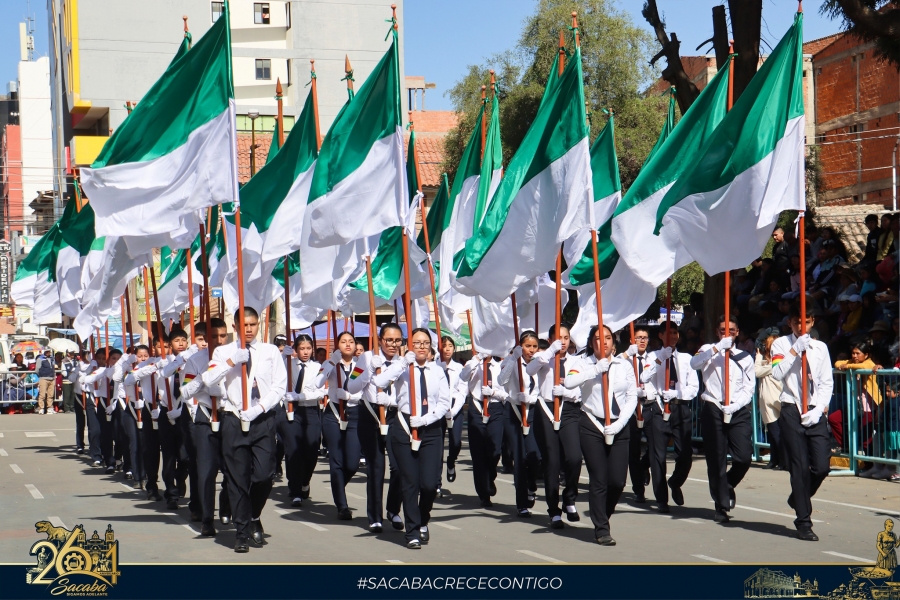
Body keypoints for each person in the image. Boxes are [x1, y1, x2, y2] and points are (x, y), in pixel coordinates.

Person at [203, 307, 286, 552]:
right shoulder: (223, 351)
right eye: (244, 325)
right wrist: (230, 362)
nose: (249, 329)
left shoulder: (270, 351)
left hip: (262, 419)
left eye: (253, 324)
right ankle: (241, 532)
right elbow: (208, 380)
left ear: (258, 324)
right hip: (233, 418)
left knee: (263, 475)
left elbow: (279, 387)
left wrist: (259, 408)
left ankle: (253, 515)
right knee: (237, 479)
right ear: (236, 326)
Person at [373, 328, 451, 549]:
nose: (421, 347)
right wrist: (401, 363)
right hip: (404, 426)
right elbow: (380, 382)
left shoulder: (437, 370)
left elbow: (444, 402)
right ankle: (413, 532)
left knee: (428, 485)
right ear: (409, 346)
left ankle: (423, 518)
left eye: (425, 343)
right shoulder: (402, 367)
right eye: (417, 343)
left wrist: (426, 420)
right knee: (410, 482)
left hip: (430, 426)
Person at [564, 324, 637, 546]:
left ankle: (602, 514)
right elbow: (569, 382)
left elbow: (632, 396)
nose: (602, 342)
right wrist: (595, 370)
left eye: (607, 337)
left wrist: (620, 423)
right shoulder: (582, 363)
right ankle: (602, 529)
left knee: (617, 481)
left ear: (613, 342)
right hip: (591, 424)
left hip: (619, 425)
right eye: (597, 338)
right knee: (599, 478)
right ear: (590, 342)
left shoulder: (624, 365)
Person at [771, 305, 833, 542]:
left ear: (812, 321)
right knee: (799, 466)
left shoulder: (820, 347)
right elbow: (777, 374)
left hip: (815, 410)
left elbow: (826, 382)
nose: (802, 327)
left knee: (821, 467)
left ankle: (799, 496)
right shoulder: (781, 345)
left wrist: (818, 409)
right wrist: (794, 352)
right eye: (797, 322)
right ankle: (804, 521)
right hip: (791, 408)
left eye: (806, 322)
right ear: (790, 322)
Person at [690, 316, 755, 523]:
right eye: (723, 330)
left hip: (738, 408)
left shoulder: (745, 356)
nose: (728, 333)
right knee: (716, 459)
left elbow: (749, 386)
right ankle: (721, 504)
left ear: (737, 332)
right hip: (713, 406)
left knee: (743, 457)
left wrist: (736, 405)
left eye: (732, 330)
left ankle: (726, 484)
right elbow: (695, 364)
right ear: (717, 332)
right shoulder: (708, 349)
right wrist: (717, 348)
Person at [347, 324, 404, 532]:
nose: (393, 344)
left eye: (397, 340)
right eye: (388, 340)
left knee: (398, 467)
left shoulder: (404, 361)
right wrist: (369, 370)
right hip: (370, 414)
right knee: (376, 467)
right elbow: (351, 385)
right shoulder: (366, 358)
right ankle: (375, 516)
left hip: (395, 415)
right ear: (380, 339)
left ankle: (393, 510)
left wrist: (390, 400)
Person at [180, 319, 232, 536]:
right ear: (205, 337)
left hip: (230, 415)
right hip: (205, 416)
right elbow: (185, 390)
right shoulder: (195, 360)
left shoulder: (235, 357)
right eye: (213, 337)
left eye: (222, 336)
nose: (218, 341)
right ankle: (207, 518)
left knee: (233, 469)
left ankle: (227, 504)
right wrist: (204, 379)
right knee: (207, 470)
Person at [526, 325, 582, 527]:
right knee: (552, 461)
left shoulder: (577, 360)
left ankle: (569, 497)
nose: (563, 341)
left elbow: (582, 389)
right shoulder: (543, 358)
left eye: (566, 337)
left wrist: (568, 393)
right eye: (559, 338)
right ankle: (553, 510)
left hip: (568, 409)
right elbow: (529, 369)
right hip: (547, 409)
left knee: (574, 457)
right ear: (550, 340)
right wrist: (549, 352)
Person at [639, 326, 699, 512]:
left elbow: (694, 387)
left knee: (685, 454)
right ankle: (661, 499)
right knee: (659, 456)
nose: (672, 336)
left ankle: (675, 482)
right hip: (658, 408)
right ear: (661, 335)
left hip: (679, 407)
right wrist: (660, 359)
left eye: (675, 333)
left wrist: (677, 392)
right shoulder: (652, 356)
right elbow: (644, 376)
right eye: (668, 333)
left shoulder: (686, 358)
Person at [315, 331, 363, 520]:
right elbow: (318, 382)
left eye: (351, 341)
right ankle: (342, 506)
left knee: (352, 463)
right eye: (343, 341)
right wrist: (331, 362)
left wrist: (351, 396)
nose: (348, 344)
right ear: (337, 345)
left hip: (354, 413)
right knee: (336, 461)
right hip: (333, 414)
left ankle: (338, 485)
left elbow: (365, 389)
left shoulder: (359, 366)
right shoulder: (330, 364)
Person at [497, 332, 543, 519]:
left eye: (534, 346)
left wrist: (532, 398)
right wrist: (513, 359)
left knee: (535, 456)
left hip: (533, 410)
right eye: (527, 346)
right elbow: (502, 381)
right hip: (514, 411)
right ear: (520, 346)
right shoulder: (511, 360)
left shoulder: (541, 362)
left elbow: (544, 387)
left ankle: (532, 485)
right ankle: (521, 503)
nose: (531, 350)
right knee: (519, 457)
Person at [277, 334, 326, 508]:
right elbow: (275, 376)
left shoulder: (318, 367)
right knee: (293, 451)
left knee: (312, 451)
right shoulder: (288, 364)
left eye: (308, 348)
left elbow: (322, 391)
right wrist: (283, 356)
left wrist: (301, 395)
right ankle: (295, 490)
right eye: (302, 348)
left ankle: (305, 481)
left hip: (311, 410)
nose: (305, 352)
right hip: (291, 411)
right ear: (296, 350)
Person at [460, 350, 507, 508]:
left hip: (495, 407)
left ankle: (490, 476)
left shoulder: (500, 365)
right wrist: (477, 358)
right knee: (479, 453)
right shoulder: (474, 364)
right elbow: (463, 376)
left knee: (495, 450)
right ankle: (484, 492)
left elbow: (507, 392)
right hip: (477, 407)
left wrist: (493, 392)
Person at [623, 325, 652, 503]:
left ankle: (644, 465)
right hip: (631, 409)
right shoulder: (625, 359)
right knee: (633, 450)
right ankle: (638, 489)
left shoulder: (653, 357)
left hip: (649, 406)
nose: (641, 341)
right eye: (638, 337)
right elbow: (613, 363)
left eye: (645, 337)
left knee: (656, 446)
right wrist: (627, 353)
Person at [84, 348, 124, 474]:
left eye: (119, 359)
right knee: (106, 434)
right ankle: (109, 461)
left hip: (118, 404)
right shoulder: (103, 370)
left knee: (119, 434)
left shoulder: (125, 371)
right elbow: (87, 380)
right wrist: (94, 369)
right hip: (104, 403)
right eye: (113, 359)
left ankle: (118, 458)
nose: (116, 361)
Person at [120, 346, 156, 489]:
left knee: (146, 445)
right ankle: (137, 475)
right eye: (139, 356)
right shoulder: (131, 370)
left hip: (147, 409)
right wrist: (126, 362)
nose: (142, 358)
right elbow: (122, 379)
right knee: (135, 444)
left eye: (145, 355)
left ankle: (147, 473)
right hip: (132, 410)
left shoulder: (152, 369)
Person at [436, 336, 466, 493]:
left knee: (455, 442)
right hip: (438, 409)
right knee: (437, 446)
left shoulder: (459, 368)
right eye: (444, 345)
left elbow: (462, 392)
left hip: (455, 407)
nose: (447, 349)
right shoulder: (435, 366)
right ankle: (437, 482)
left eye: (450, 346)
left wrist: (452, 411)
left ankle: (451, 461)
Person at [755, 328, 784, 470]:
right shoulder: (766, 358)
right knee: (773, 431)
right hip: (767, 397)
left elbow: (757, 371)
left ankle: (784, 460)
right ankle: (775, 459)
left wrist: (759, 358)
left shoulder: (778, 357)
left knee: (781, 432)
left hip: (779, 396)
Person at [36, 349, 56, 415]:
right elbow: (37, 369)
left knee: (50, 394)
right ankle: (41, 408)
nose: (48, 353)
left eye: (49, 351)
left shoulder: (52, 358)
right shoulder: (40, 359)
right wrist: (42, 375)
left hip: (51, 378)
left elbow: (53, 367)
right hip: (43, 378)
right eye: (47, 351)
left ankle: (50, 408)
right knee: (42, 394)